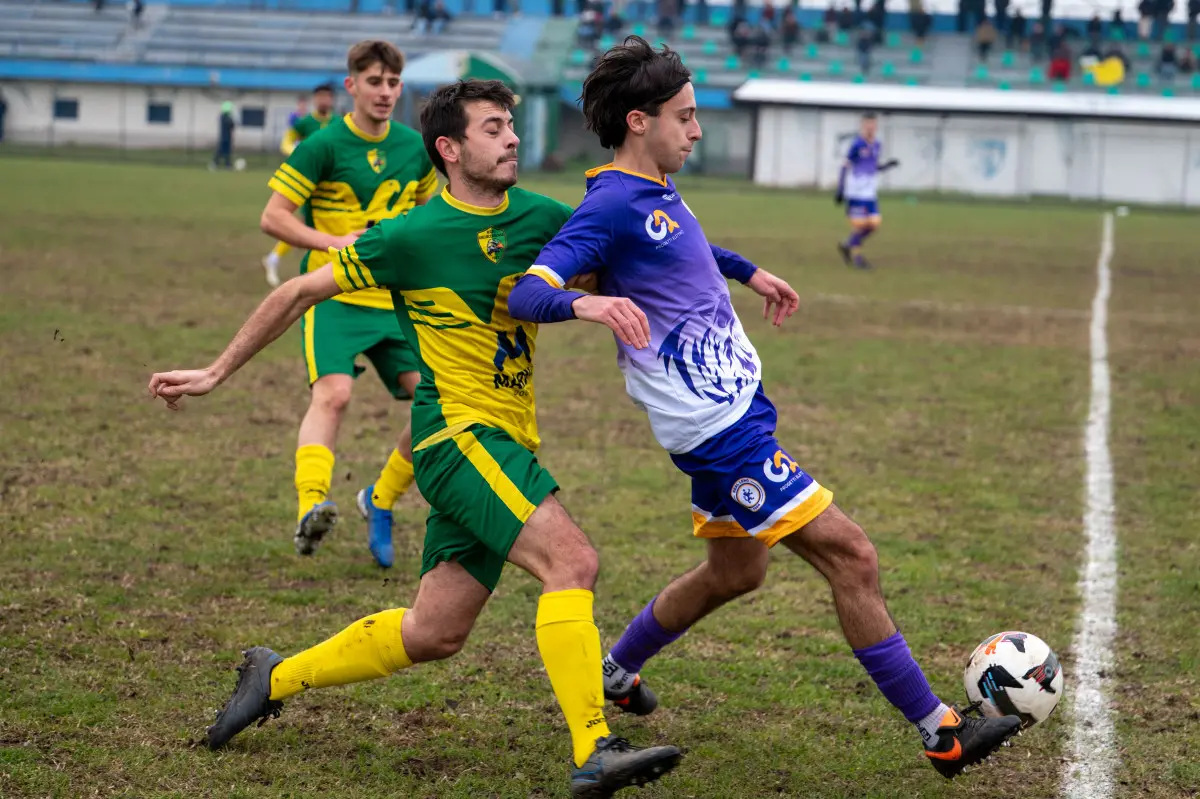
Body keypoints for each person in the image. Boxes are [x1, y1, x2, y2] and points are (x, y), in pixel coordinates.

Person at [505, 35, 1023, 781]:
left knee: (736, 570)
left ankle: (617, 667)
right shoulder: (612, 201)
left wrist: (750, 272)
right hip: (720, 432)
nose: (697, 128)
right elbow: (530, 289)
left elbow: (685, 248)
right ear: (639, 121)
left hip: (736, 408)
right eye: (684, 116)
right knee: (853, 554)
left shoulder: (653, 190)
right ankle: (941, 729)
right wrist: (592, 306)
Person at [147, 78, 683, 799]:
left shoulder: (540, 217)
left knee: (434, 631)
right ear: (450, 148)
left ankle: (275, 674)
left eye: (510, 126)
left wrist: (722, 276)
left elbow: (629, 253)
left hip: (511, 441)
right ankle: (594, 747)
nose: (513, 138)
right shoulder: (409, 235)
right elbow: (298, 292)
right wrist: (215, 371)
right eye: (493, 128)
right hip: (456, 439)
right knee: (573, 559)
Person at [259, 41, 439, 569]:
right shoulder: (323, 145)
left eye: (392, 83)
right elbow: (274, 218)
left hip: (396, 301)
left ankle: (378, 499)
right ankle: (312, 502)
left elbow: (428, 219)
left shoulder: (414, 148)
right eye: (374, 82)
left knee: (438, 400)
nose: (384, 92)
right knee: (334, 396)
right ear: (351, 86)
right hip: (332, 294)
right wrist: (331, 243)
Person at [261, 84, 337, 288]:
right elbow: (286, 141)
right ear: (315, 99)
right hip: (310, 182)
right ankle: (276, 259)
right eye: (320, 96)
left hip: (334, 184)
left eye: (328, 97)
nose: (324, 100)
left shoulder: (338, 123)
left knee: (311, 225)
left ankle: (275, 259)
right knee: (306, 225)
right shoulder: (305, 123)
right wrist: (295, 151)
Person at [834, 112, 898, 270]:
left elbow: (872, 166)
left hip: (869, 192)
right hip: (856, 192)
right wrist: (840, 188)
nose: (871, 127)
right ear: (863, 125)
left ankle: (847, 245)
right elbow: (845, 165)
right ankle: (857, 259)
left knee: (874, 223)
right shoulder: (857, 144)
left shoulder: (877, 145)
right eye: (868, 124)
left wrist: (887, 166)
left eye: (873, 124)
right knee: (860, 226)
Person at [212, 101, 235, 170]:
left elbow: (232, 126)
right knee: (221, 150)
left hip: (227, 137)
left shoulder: (225, 117)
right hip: (224, 137)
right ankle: (215, 163)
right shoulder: (224, 117)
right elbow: (231, 124)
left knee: (227, 152)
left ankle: (227, 164)